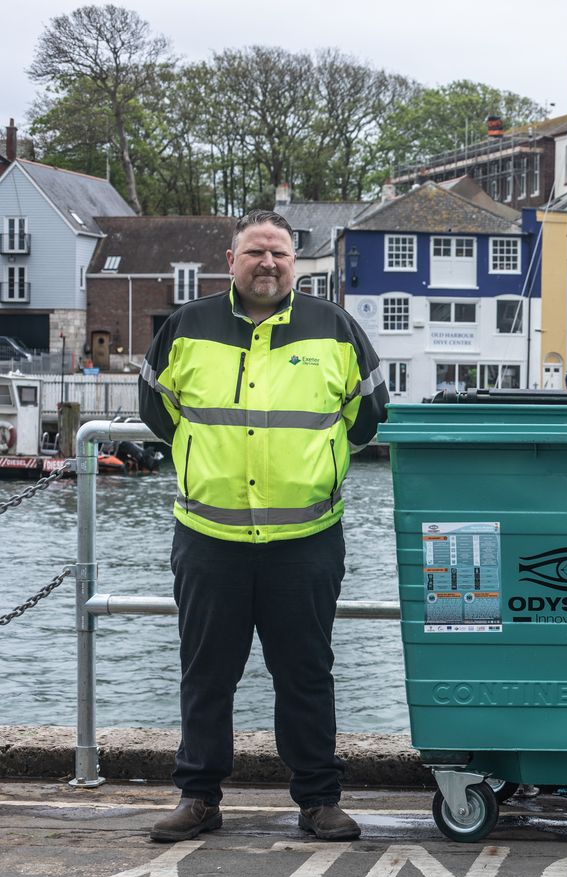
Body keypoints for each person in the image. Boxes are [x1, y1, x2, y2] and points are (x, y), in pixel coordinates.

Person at [138, 210, 388, 843]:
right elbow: (158, 413)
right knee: (206, 673)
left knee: (305, 673)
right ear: (231, 260)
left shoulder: (337, 331)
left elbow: (367, 419)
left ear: (295, 263)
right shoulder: (183, 329)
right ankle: (198, 797)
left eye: (279, 253)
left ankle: (318, 799)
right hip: (209, 539)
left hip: (304, 542)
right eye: (255, 252)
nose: (268, 264)